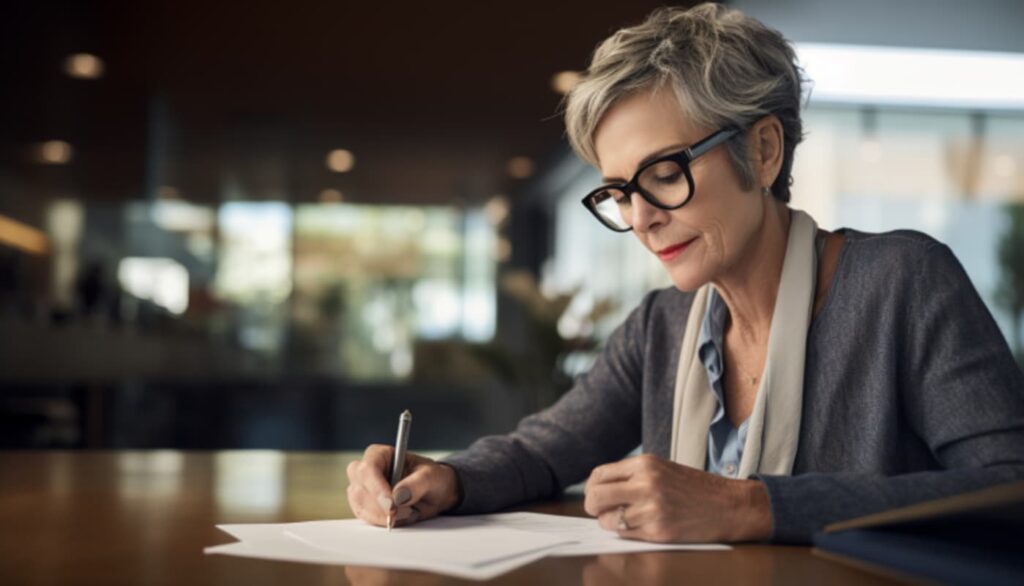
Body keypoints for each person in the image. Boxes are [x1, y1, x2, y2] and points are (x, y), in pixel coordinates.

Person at [345, 3, 1024, 544]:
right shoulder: (662, 326)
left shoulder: (904, 281)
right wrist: (446, 478)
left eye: (665, 175)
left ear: (761, 152)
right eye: (618, 192)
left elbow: (1007, 489)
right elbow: (544, 450)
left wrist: (750, 507)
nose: (641, 218)